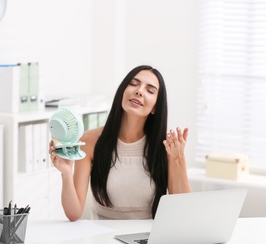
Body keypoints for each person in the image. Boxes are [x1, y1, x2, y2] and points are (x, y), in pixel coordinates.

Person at [49, 65, 191, 221]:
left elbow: (183, 212)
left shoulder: (166, 146)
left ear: (155, 107)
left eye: (150, 91)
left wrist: (178, 159)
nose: (139, 91)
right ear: (122, 92)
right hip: (103, 238)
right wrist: (66, 173)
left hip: (147, 238)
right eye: (133, 84)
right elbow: (73, 213)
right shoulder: (90, 141)